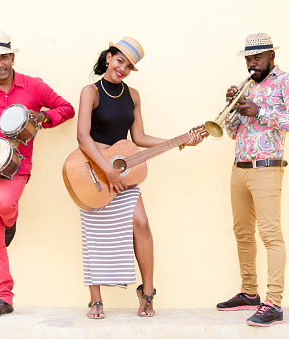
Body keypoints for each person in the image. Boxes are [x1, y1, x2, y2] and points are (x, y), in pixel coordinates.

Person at [76, 37, 202, 319]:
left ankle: (147, 293)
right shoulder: (91, 92)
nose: (123, 69)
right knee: (95, 234)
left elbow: (139, 137)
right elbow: (83, 136)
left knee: (141, 223)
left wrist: (180, 140)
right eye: (120, 61)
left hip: (121, 173)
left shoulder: (133, 96)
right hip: (93, 172)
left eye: (129, 66)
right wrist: (106, 170)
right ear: (108, 57)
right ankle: (95, 299)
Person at [0, 30, 74, 317]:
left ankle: (11, 221)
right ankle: (3, 298)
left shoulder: (33, 86)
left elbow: (65, 108)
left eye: (4, 57)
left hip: (17, 165)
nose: (0, 63)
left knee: (5, 203)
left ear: (12, 57)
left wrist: (45, 117)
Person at [215, 33, 289, 326]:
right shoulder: (246, 86)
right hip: (239, 167)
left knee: (270, 235)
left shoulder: (288, 83)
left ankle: (274, 303)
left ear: (271, 57)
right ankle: (250, 293)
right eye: (248, 59)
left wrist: (261, 110)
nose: (252, 64)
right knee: (242, 232)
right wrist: (233, 105)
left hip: (267, 167)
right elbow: (232, 131)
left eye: (257, 58)